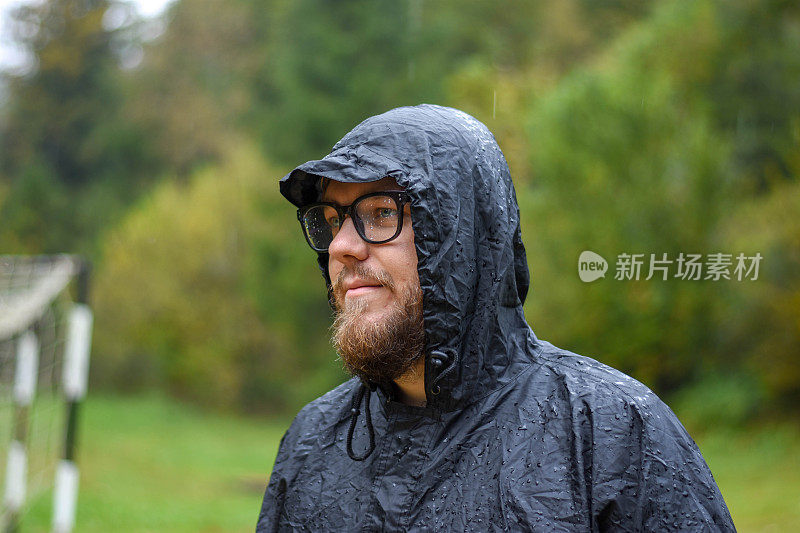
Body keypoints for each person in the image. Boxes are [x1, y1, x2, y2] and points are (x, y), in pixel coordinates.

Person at [257, 104, 735, 531]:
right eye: (335, 220)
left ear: (461, 239)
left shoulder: (609, 433)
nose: (341, 246)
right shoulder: (313, 441)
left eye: (381, 212)